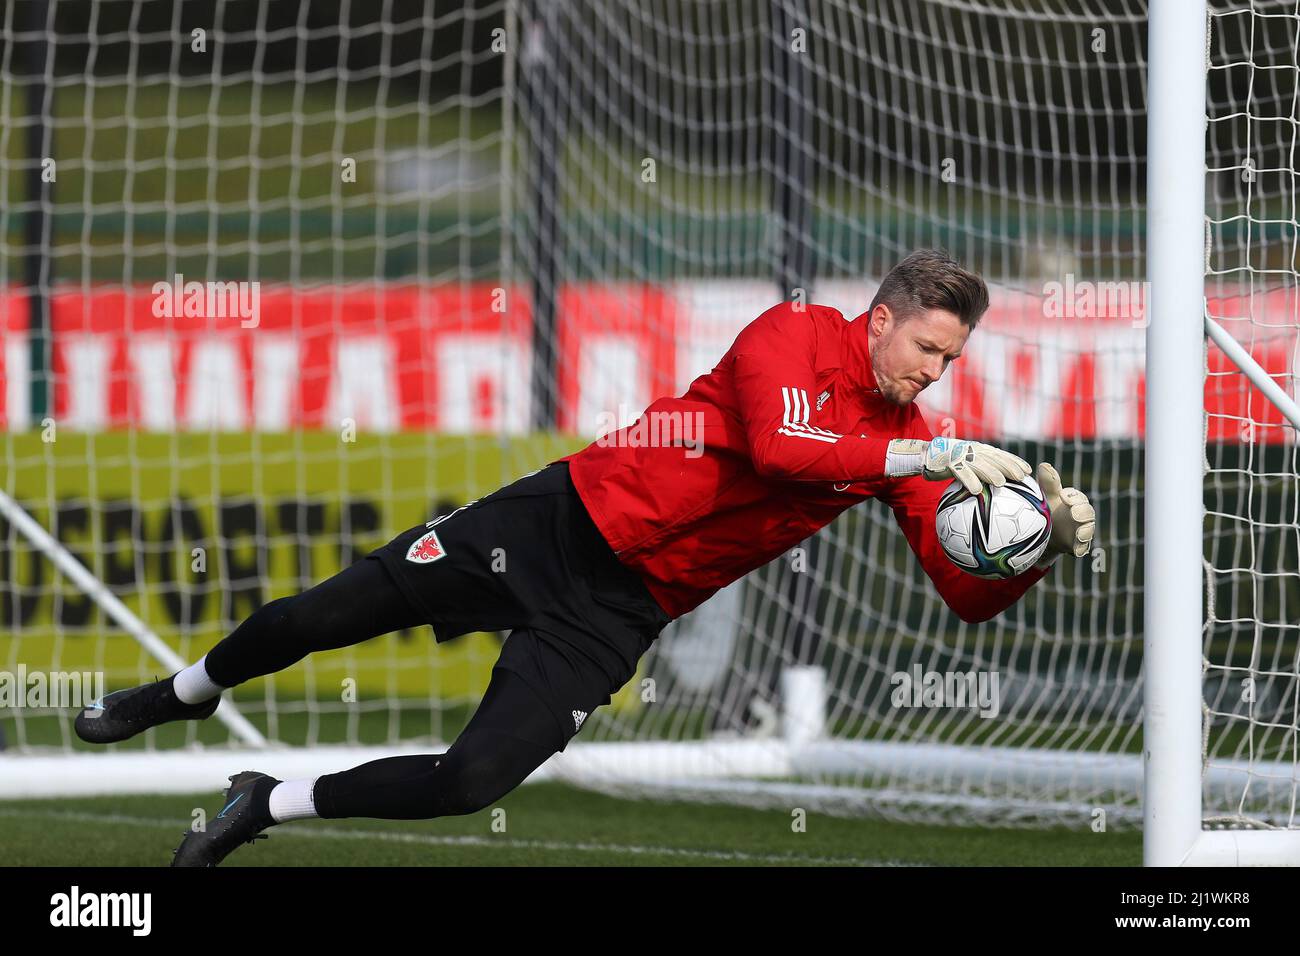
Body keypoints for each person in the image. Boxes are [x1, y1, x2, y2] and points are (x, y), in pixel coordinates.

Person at [74, 248, 1096, 866]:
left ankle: (265, 802)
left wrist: (1039, 543)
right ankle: (186, 686)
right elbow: (785, 447)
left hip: (618, 611)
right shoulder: (791, 333)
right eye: (926, 348)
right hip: (559, 519)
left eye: (950, 361)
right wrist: (931, 447)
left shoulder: (907, 440)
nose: (935, 370)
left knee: (470, 779)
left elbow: (964, 596)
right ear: (879, 320)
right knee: (318, 616)